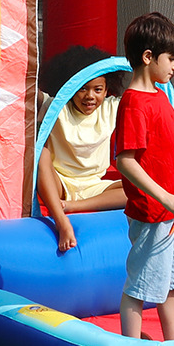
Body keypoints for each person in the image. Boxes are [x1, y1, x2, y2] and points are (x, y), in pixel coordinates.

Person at [115, 12, 174, 341]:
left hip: (173, 213)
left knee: (171, 283)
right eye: (171, 59)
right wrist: (164, 196)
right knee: (139, 286)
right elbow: (126, 161)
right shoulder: (135, 103)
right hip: (155, 213)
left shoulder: (158, 95)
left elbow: (162, 144)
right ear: (148, 57)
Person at [35, 46, 127, 253]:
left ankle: (73, 206)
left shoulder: (111, 107)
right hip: (59, 181)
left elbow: (144, 95)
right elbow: (29, 91)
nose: (90, 96)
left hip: (94, 185)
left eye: (97, 89)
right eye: (82, 88)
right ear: (70, 86)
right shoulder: (57, 106)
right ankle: (61, 220)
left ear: (107, 89)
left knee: (139, 190)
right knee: (40, 153)